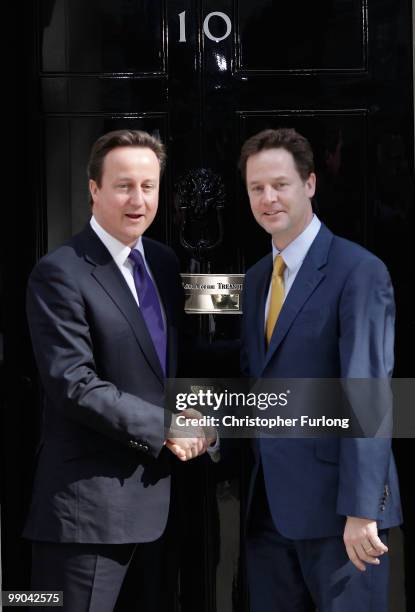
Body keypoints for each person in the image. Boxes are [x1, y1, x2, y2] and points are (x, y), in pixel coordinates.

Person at [24, 129, 211, 611]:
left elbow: (177, 361)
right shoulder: (59, 272)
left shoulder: (165, 264)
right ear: (94, 189)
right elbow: (73, 384)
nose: (138, 199)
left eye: (148, 186)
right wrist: (167, 426)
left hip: (160, 509)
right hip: (86, 517)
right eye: (124, 185)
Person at [239, 128, 401, 611]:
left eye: (280, 184)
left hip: (341, 520)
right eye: (256, 188)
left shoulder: (358, 271)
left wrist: (361, 509)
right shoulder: (254, 281)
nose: (268, 198)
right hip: (268, 513)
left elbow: (368, 392)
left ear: (310, 184)